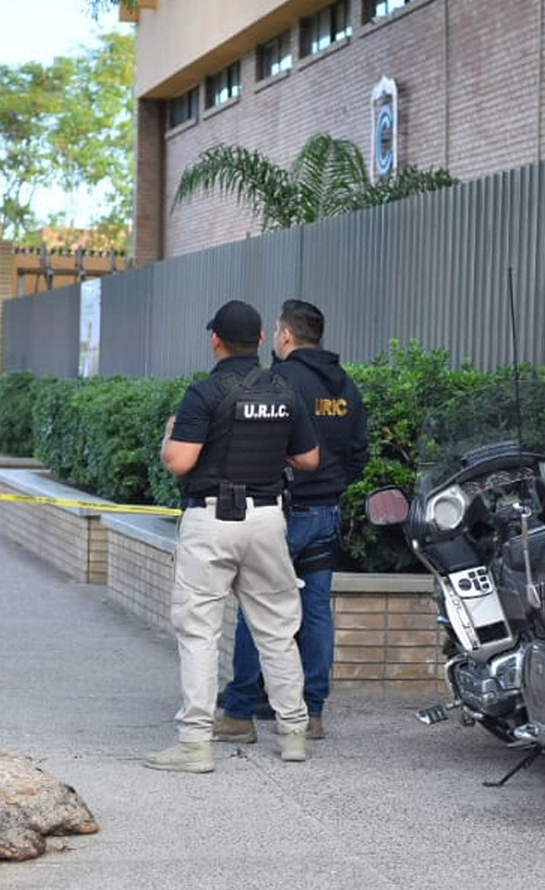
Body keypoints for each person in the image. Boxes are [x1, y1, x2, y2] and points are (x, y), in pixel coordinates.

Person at [148, 299, 321, 773]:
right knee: (278, 632)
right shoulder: (286, 392)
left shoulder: (203, 394)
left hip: (212, 521)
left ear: (215, 340)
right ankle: (293, 735)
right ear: (263, 340)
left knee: (200, 632)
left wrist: (169, 437)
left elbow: (180, 462)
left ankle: (194, 745)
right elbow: (309, 460)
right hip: (268, 520)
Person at [216, 299, 369, 744]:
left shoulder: (281, 379)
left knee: (257, 606)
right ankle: (312, 712)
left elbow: (260, 441)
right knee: (317, 611)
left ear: (284, 336)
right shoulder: (346, 387)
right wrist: (333, 484)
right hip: (328, 511)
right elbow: (359, 452)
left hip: (286, 510)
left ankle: (240, 709)